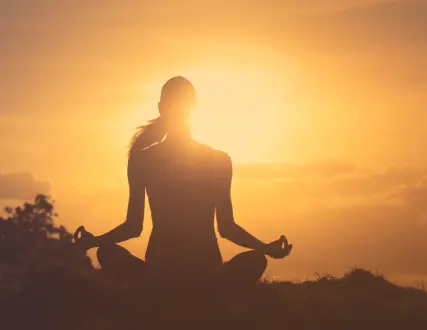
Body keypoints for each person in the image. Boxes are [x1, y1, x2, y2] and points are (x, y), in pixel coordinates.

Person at [74, 76, 292, 290]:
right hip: (207, 275)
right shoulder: (219, 160)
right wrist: (265, 248)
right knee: (256, 259)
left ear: (161, 107)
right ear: (193, 107)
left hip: (159, 276)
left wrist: (94, 242)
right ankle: (210, 296)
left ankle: (156, 296)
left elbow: (133, 227)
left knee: (106, 252)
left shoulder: (141, 160)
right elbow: (227, 229)